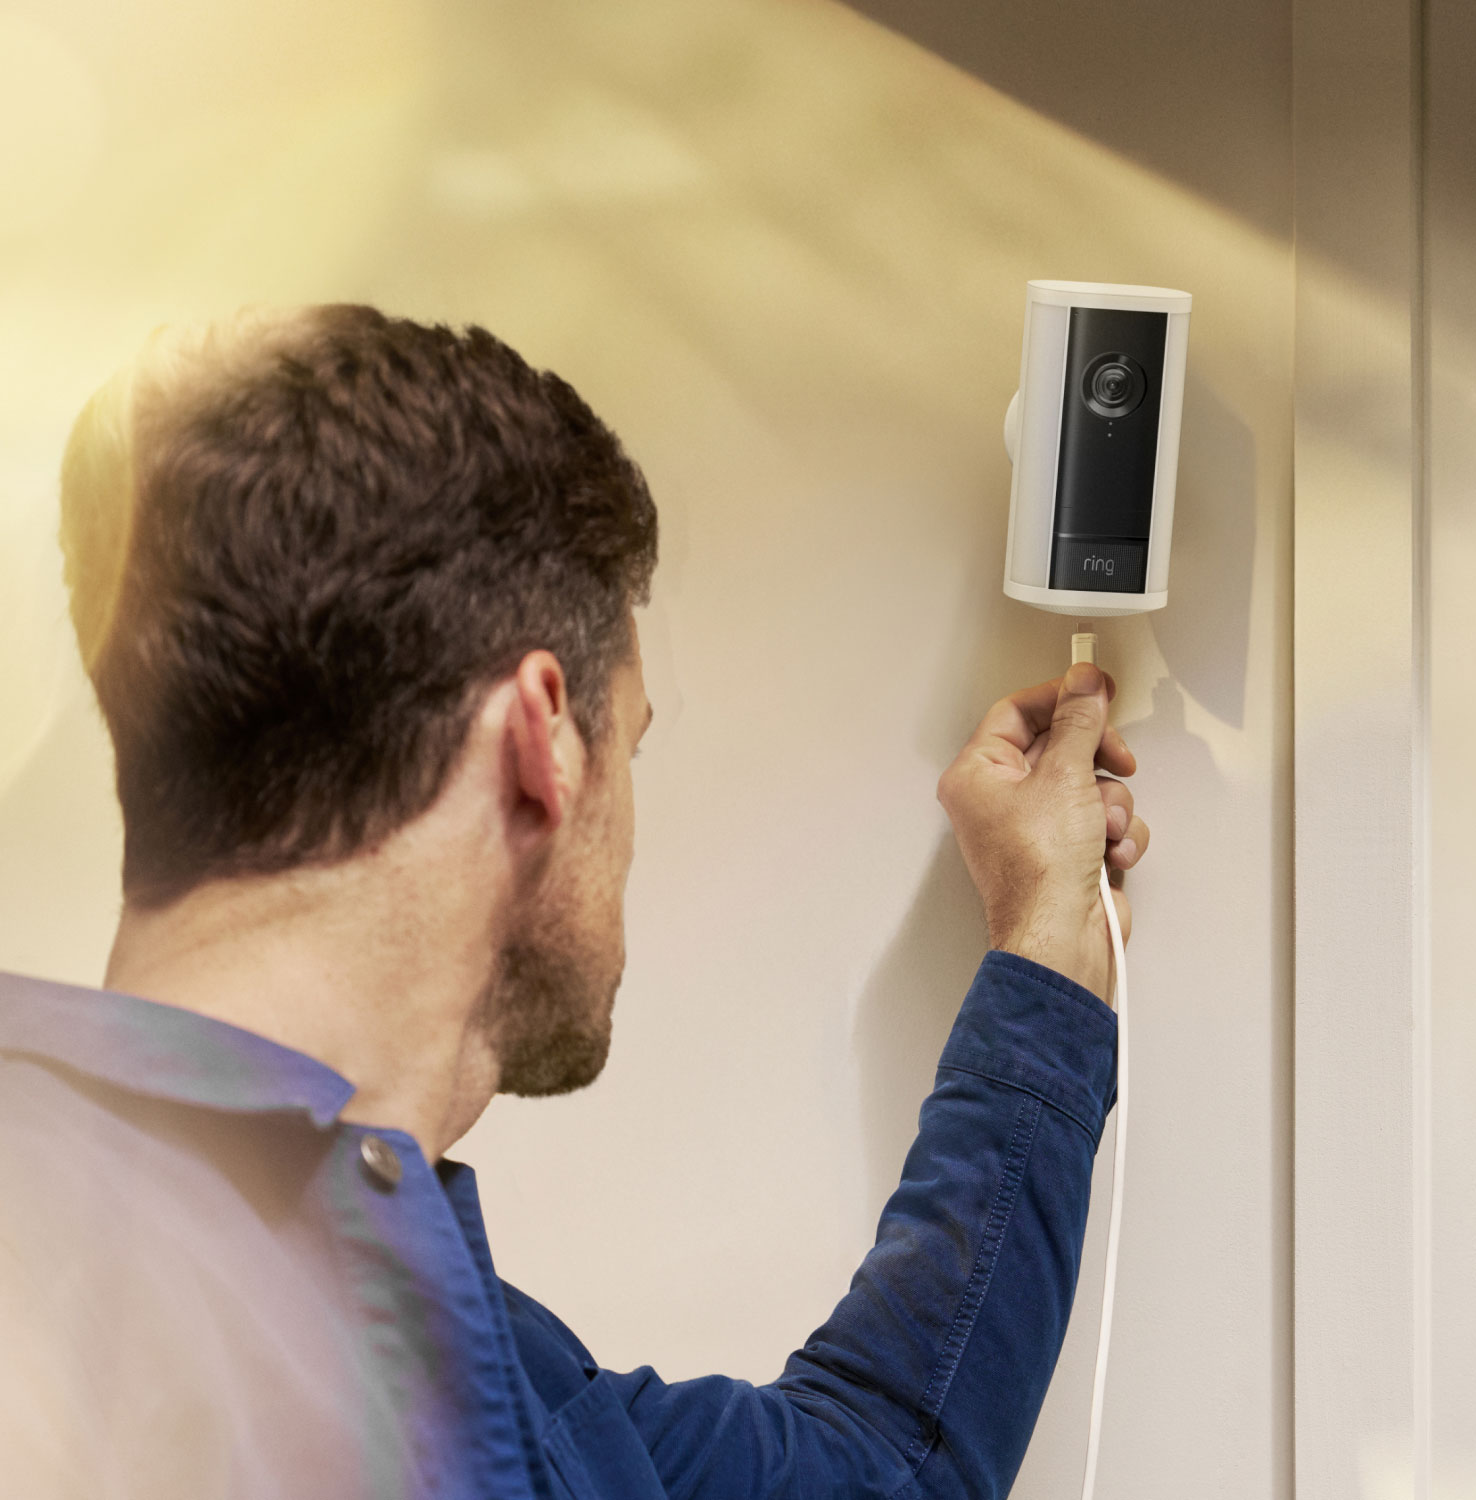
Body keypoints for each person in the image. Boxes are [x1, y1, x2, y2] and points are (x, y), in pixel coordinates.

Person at [0, 305, 1148, 1498]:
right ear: (544, 740)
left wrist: (1044, 962)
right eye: (632, 748)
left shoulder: (494, 1378)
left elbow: (880, 1468)